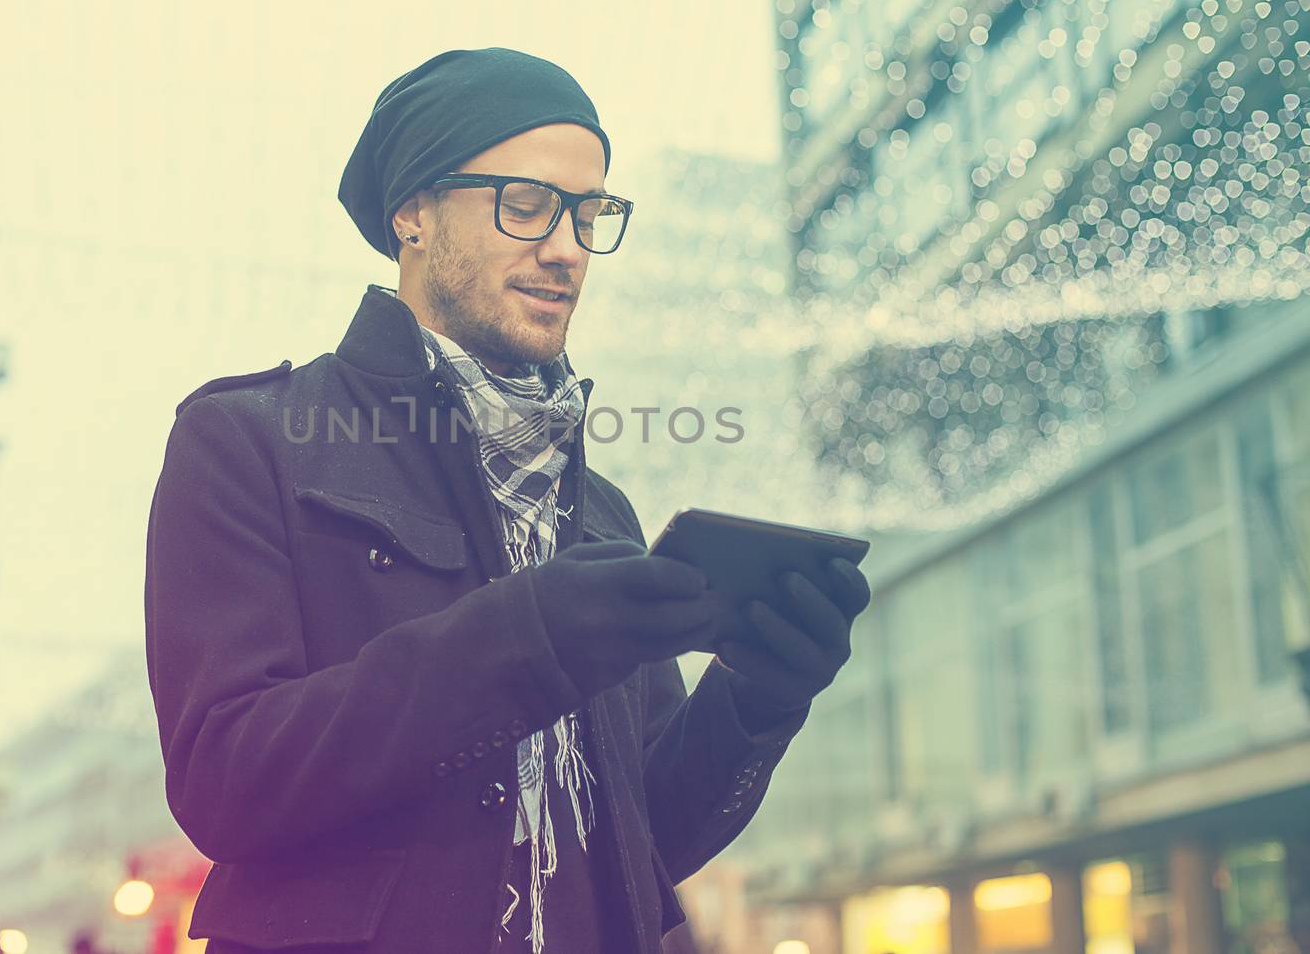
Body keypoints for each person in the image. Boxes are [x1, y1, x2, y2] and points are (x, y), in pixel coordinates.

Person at [143, 46, 871, 954]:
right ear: (413, 211)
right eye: (526, 205)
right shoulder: (250, 440)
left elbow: (649, 842)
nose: (566, 248)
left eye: (590, 213)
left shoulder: (601, 512)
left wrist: (759, 695)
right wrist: (526, 640)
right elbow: (225, 783)